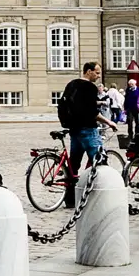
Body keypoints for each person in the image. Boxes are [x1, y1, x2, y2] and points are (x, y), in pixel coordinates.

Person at [58, 62, 118, 208]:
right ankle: (103, 197)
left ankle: (70, 199)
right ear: (88, 71)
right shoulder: (90, 87)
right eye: (96, 73)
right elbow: (92, 112)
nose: (98, 76)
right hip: (88, 128)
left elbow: (70, 104)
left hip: (74, 128)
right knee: (100, 161)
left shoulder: (72, 84)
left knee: (74, 165)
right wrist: (109, 122)